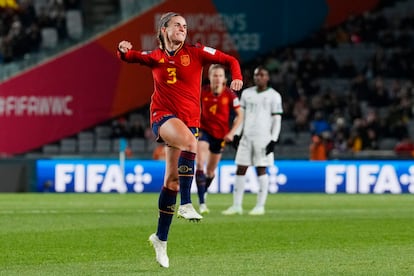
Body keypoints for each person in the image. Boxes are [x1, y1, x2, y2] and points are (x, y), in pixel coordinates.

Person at [117, 12, 243, 268]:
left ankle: (160, 239)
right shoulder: (155, 57)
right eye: (177, 25)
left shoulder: (196, 53)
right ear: (164, 29)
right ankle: (186, 203)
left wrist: (237, 75)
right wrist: (122, 50)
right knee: (189, 143)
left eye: (185, 26)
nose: (183, 29)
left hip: (190, 122)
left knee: (172, 181)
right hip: (163, 117)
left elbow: (229, 59)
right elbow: (131, 56)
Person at [222, 66, 282, 216]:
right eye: (256, 75)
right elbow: (241, 116)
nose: (258, 78)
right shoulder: (247, 94)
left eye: (262, 75)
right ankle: (237, 206)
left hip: (263, 138)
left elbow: (277, 119)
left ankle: (260, 206)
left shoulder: (274, 96)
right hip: (247, 136)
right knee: (240, 168)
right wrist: (236, 133)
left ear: (267, 78)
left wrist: (273, 139)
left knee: (261, 169)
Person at [195, 64, 243, 214]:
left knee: (210, 172)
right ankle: (202, 203)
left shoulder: (230, 94)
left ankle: (204, 190)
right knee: (200, 164)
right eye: (214, 75)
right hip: (204, 131)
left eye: (220, 75)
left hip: (220, 135)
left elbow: (241, 115)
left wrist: (232, 133)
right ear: (209, 77)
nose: (217, 78)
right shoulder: (202, 92)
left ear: (224, 79)